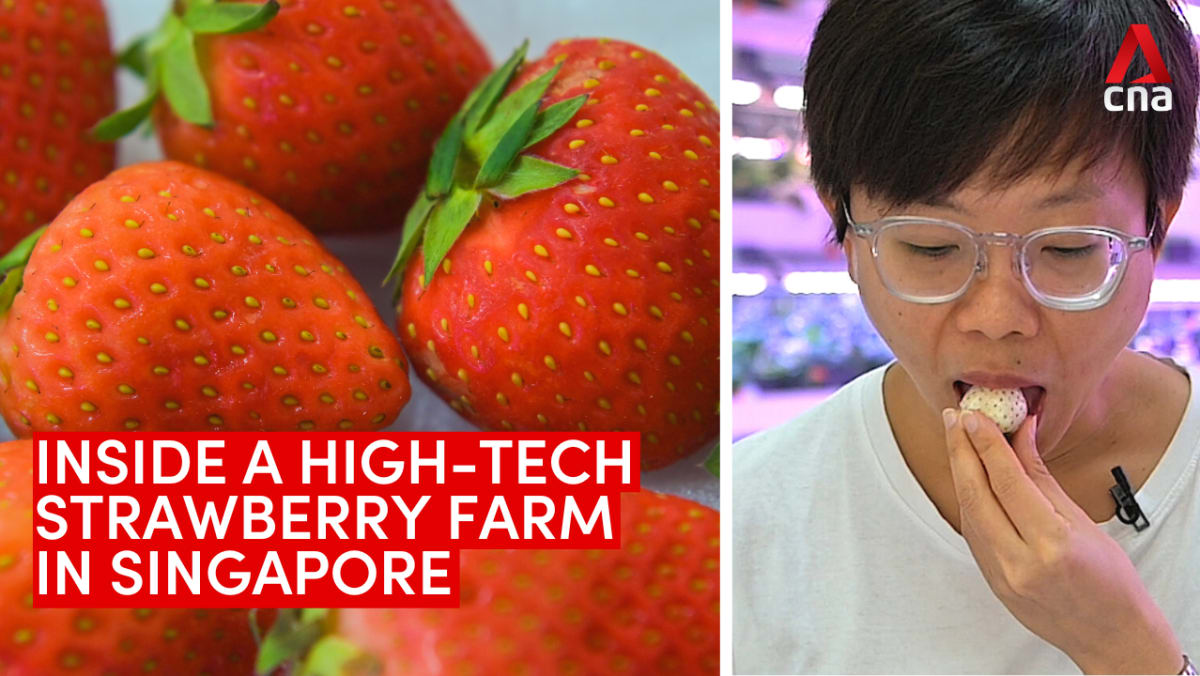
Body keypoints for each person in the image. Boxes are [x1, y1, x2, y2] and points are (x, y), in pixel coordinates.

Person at [733, 1, 1200, 673]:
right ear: (844, 235)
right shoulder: (754, 517)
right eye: (929, 247)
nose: (997, 314)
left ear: (1156, 231)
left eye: (1068, 248)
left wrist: (1123, 649)